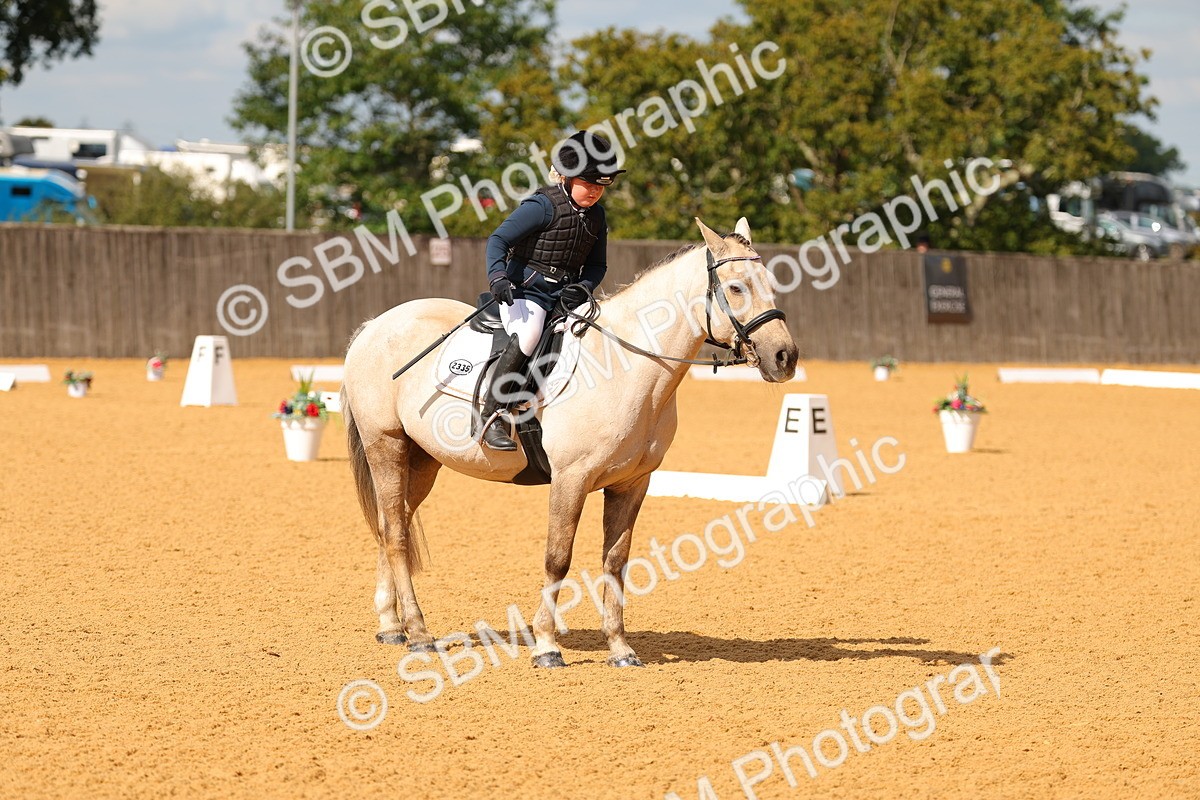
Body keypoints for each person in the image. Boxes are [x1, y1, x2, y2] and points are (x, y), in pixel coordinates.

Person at [480, 130, 625, 451]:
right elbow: (498, 240)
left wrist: (583, 287)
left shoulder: (597, 216)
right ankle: (492, 416)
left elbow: (597, 266)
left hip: (565, 296)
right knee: (530, 334)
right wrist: (498, 278)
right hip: (523, 291)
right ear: (569, 179)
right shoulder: (542, 206)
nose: (595, 192)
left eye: (601, 185)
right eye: (589, 184)